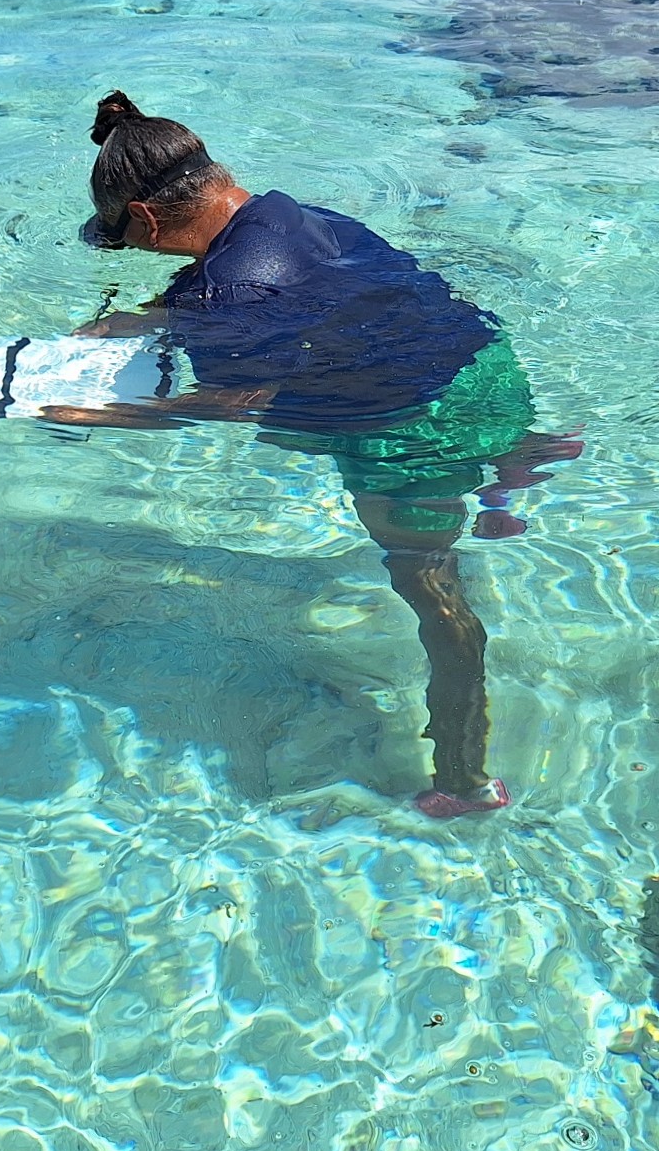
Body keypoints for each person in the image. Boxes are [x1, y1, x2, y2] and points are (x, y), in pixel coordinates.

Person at [42, 90, 580, 818]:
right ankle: (518, 453)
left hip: (408, 434)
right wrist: (145, 318)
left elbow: (233, 401)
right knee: (399, 385)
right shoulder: (295, 214)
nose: (133, 251)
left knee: (430, 592)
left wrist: (103, 413)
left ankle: (464, 778)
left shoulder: (227, 296)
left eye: (125, 237)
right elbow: (310, 292)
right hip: (488, 369)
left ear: (143, 217)